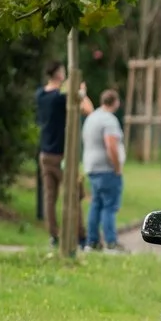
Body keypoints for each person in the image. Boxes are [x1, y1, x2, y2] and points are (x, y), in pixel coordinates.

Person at [36, 62, 94, 248]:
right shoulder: (60, 97)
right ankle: (81, 237)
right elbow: (87, 110)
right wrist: (81, 91)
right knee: (75, 194)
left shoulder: (40, 95)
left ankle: (54, 235)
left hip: (45, 153)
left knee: (50, 197)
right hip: (62, 156)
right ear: (59, 74)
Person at [82, 89, 127, 253]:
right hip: (106, 168)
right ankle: (111, 242)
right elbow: (111, 145)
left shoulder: (91, 118)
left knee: (96, 204)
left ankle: (92, 242)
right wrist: (117, 167)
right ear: (115, 102)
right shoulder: (109, 120)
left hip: (91, 167)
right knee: (109, 206)